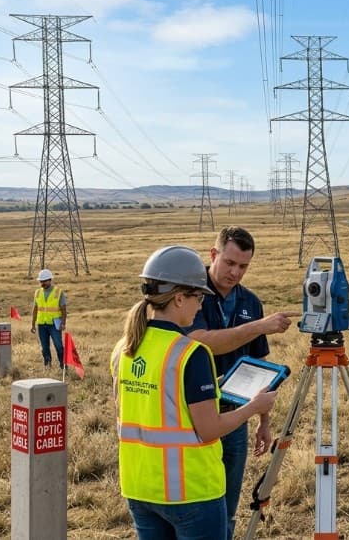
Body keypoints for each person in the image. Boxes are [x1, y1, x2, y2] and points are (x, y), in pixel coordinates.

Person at [110, 245, 278, 539]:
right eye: (198, 297)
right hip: (190, 491)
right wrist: (254, 406)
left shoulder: (125, 347)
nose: (201, 306)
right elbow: (210, 429)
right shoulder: (191, 353)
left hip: (139, 487)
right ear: (178, 298)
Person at [186, 227, 297, 540]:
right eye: (229, 263)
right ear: (213, 254)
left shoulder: (250, 301)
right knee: (197, 503)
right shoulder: (192, 296)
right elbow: (202, 343)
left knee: (227, 504)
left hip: (237, 415)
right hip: (195, 415)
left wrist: (263, 420)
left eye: (243, 266)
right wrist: (259, 326)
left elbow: (260, 366)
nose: (235, 272)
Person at [30, 269, 67, 369]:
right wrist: (33, 324)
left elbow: (64, 310)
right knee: (45, 347)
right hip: (41, 324)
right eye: (41, 281)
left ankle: (63, 365)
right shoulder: (37, 293)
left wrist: (63, 323)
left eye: (44, 281)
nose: (42, 283)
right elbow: (35, 309)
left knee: (58, 345)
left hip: (55, 324)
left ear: (50, 280)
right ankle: (47, 365)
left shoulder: (58, 292)